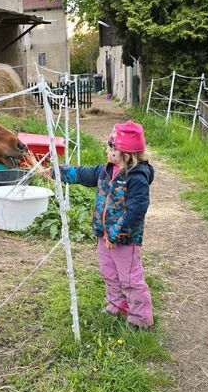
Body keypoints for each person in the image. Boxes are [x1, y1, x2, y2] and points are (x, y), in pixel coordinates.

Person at [43, 120, 154, 329]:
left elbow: (136, 211)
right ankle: (116, 304)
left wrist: (115, 233)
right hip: (104, 236)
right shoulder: (105, 170)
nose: (107, 149)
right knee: (109, 273)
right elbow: (82, 173)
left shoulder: (137, 178)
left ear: (126, 154)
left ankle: (140, 319)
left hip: (124, 238)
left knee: (130, 278)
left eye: (112, 147)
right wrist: (57, 172)